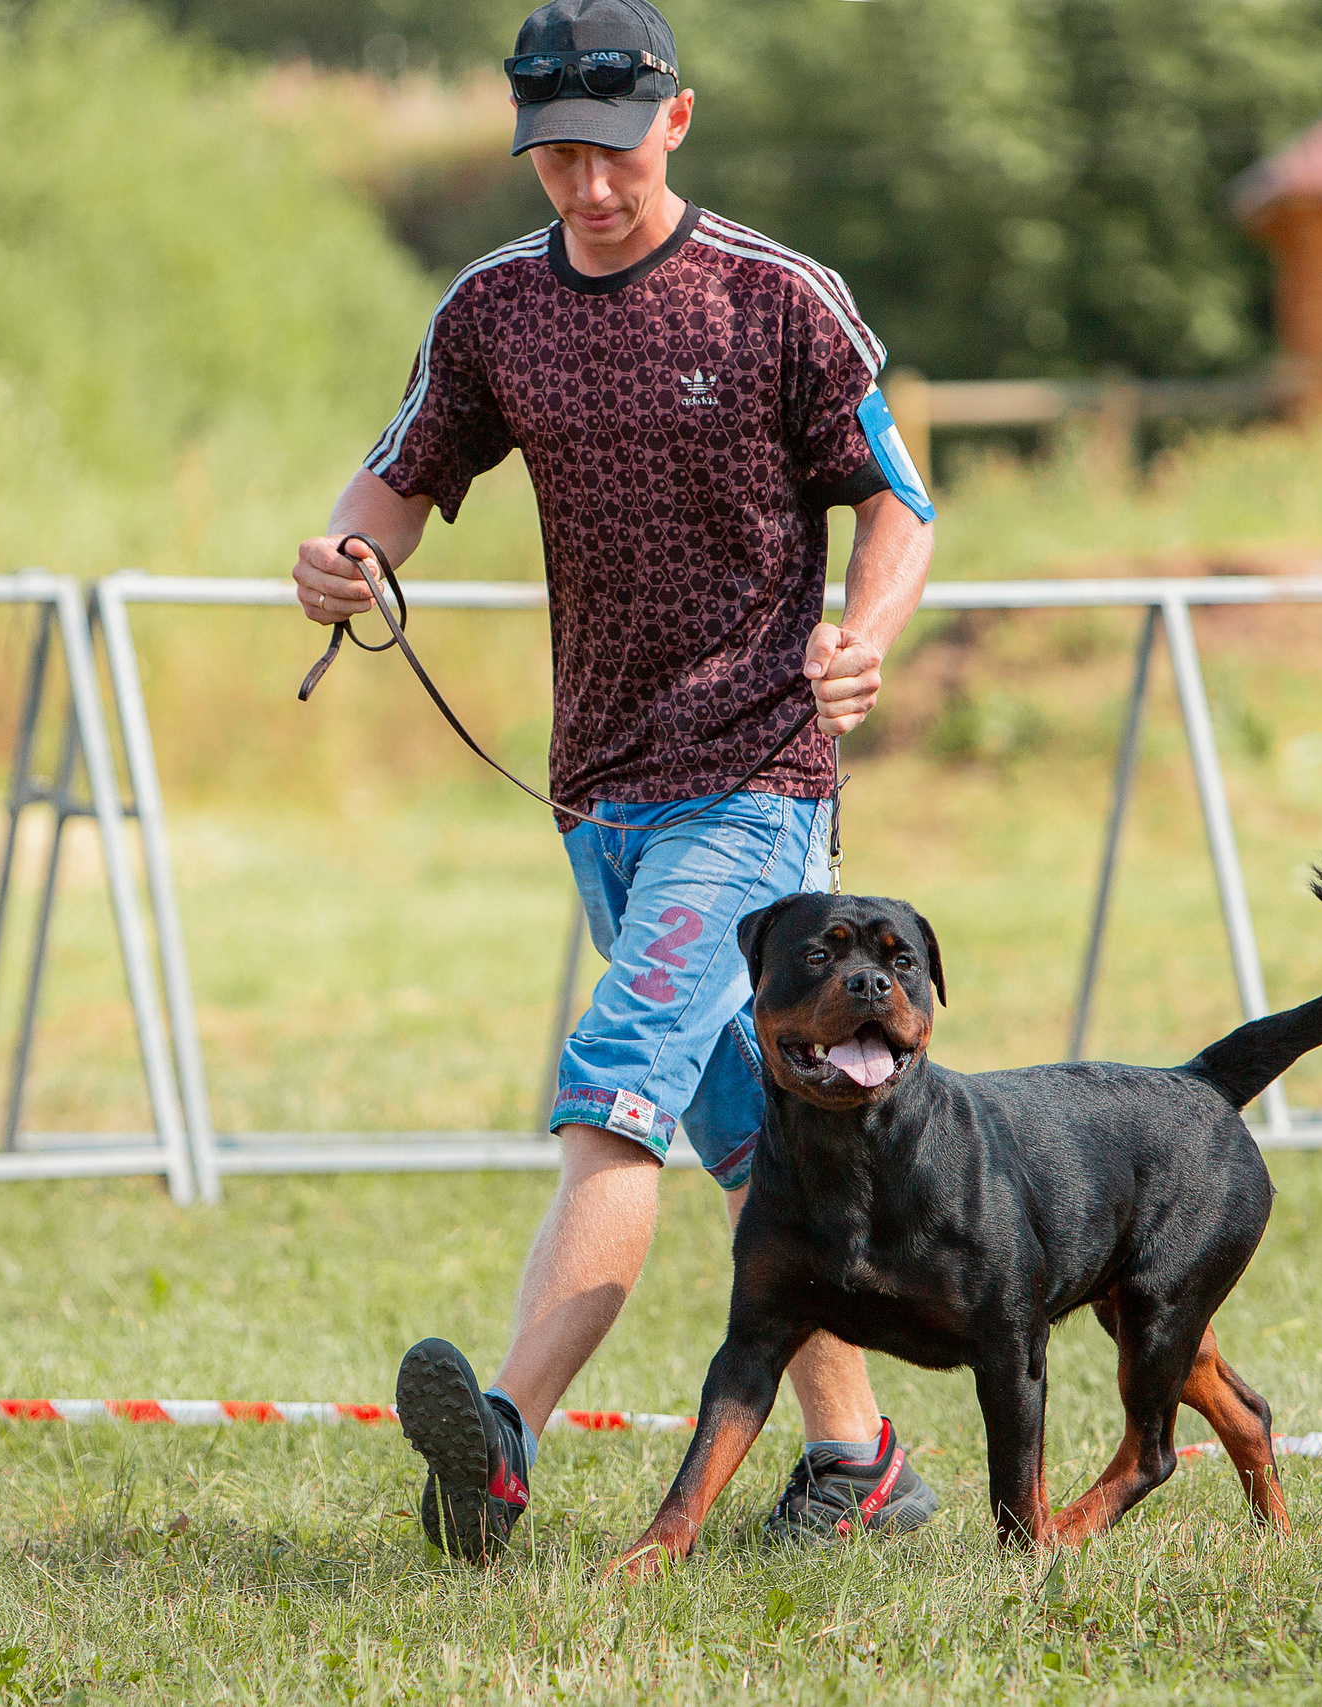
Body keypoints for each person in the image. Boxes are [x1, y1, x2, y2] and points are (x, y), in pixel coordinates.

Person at [292, 0, 938, 1564]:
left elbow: (900, 502)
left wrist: (863, 637)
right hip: (601, 797)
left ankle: (499, 1441)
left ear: (678, 121)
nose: (585, 187)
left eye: (612, 151)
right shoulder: (497, 310)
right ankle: (861, 1461)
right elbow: (404, 470)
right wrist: (348, 554)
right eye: (554, 157)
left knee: (616, 1088)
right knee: (746, 1139)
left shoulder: (776, 301)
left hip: (758, 785)